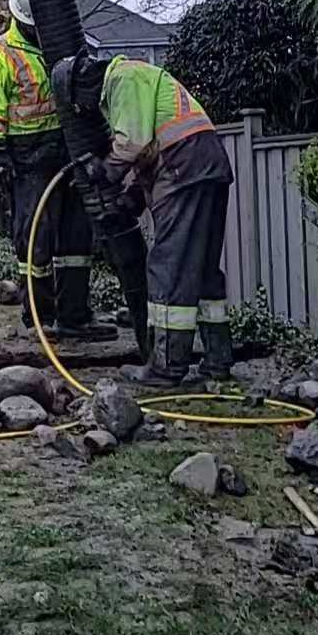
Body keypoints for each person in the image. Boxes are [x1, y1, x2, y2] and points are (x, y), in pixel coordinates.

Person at [52, 51, 234, 387]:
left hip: (184, 169)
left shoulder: (123, 79)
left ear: (82, 88)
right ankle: (217, 360)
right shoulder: (140, 79)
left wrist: (103, 170)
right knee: (204, 269)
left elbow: (132, 143)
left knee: (168, 266)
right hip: (207, 165)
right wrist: (132, 198)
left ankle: (166, 367)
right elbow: (149, 147)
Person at [0, 0, 113, 339]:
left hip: (66, 150)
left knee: (76, 236)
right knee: (35, 237)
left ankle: (74, 315)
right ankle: (39, 317)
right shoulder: (1, 53)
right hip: (26, 158)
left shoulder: (58, 46)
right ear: (22, 21)